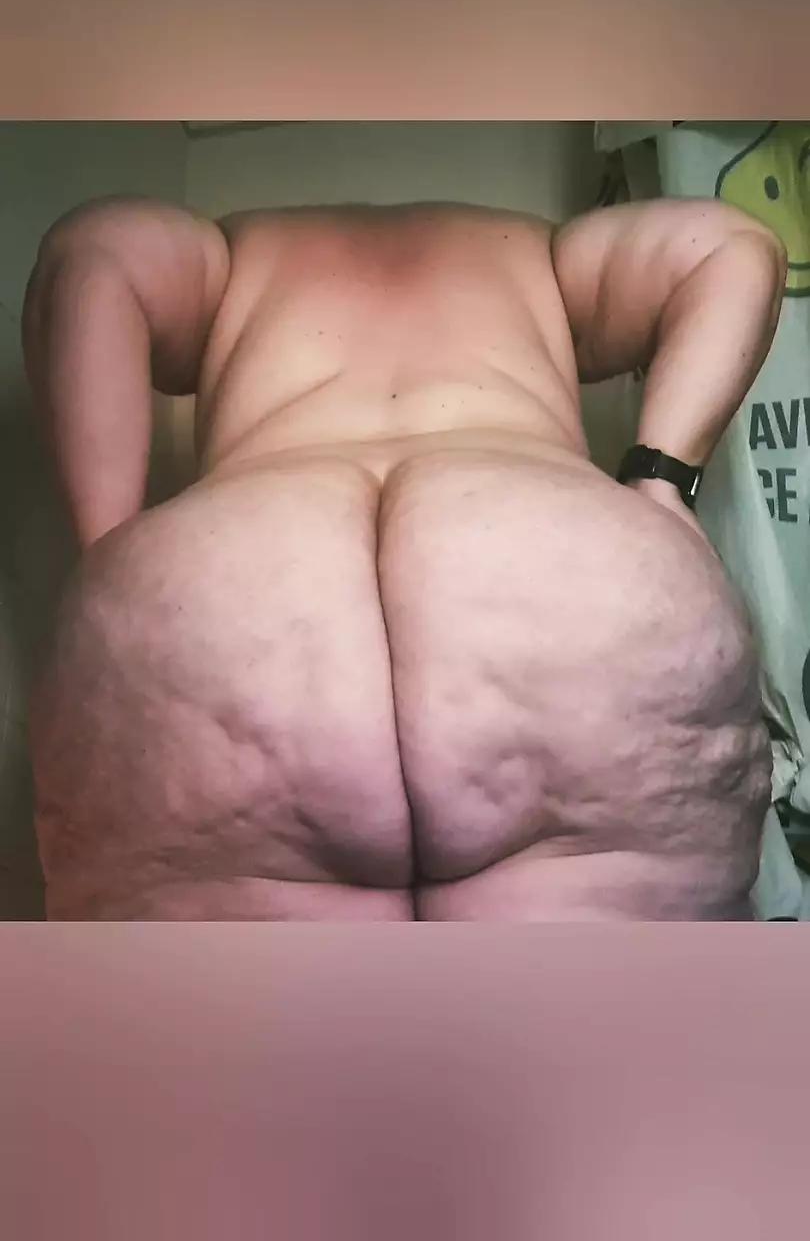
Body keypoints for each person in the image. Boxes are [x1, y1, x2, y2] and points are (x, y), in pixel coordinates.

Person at [21, 194, 787, 920]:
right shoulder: (540, 258)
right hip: (556, 578)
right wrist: (661, 481)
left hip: (239, 598)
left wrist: (107, 552)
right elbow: (732, 245)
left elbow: (94, 250)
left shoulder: (233, 256)